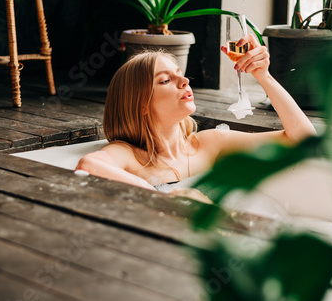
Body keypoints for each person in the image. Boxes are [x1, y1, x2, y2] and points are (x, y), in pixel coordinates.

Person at [76, 34, 316, 196]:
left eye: (180, 73)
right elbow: (90, 164)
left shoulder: (210, 143)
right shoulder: (130, 156)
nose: (185, 81)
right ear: (141, 105)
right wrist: (163, 196)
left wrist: (264, 76)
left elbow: (303, 141)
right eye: (166, 80)